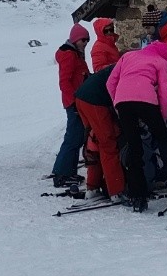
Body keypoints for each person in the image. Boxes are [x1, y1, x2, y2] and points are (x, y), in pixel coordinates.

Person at [106, 39, 167, 211]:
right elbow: (164, 91)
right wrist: (163, 118)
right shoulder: (160, 61)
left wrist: (117, 104)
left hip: (123, 102)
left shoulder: (128, 56)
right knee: (163, 139)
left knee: (134, 147)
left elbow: (110, 82)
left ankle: (138, 195)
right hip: (146, 100)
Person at [74, 56, 125, 202]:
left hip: (82, 97)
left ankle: (93, 187)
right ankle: (116, 191)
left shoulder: (119, 66)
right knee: (108, 144)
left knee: (94, 142)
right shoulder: (131, 70)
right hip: (95, 100)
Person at [51, 23, 90, 189]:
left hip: (77, 101)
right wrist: (73, 101)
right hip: (73, 102)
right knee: (73, 137)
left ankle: (68, 171)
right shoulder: (69, 55)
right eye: (83, 40)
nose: (85, 43)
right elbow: (64, 81)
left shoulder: (75, 53)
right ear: (75, 39)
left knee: (77, 137)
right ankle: (62, 173)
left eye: (87, 40)